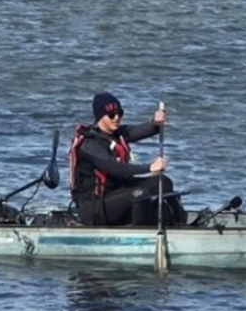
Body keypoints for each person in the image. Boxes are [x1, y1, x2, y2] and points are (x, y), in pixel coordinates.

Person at [68, 92, 185, 226]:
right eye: (111, 115)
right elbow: (115, 168)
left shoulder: (116, 134)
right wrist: (149, 167)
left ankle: (175, 224)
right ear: (100, 117)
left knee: (162, 182)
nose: (117, 118)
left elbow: (139, 130)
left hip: (117, 194)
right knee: (138, 194)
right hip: (94, 208)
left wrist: (156, 123)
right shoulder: (89, 144)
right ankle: (139, 233)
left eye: (120, 113)